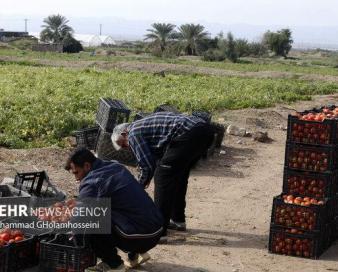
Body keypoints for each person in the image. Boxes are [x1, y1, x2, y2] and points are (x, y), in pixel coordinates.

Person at [111, 112, 214, 239]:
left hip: (190, 133)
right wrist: (145, 177)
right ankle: (178, 220)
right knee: (178, 175)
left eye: (123, 144)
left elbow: (147, 165)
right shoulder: (144, 127)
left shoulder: (133, 132)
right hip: (205, 131)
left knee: (163, 176)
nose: (127, 147)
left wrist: (138, 187)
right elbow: (156, 159)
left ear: (124, 133)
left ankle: (159, 231)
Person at [65, 147, 163, 272]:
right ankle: (135, 255)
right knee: (117, 207)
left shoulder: (92, 181)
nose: (76, 179)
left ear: (87, 166)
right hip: (156, 229)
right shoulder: (115, 166)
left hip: (141, 236)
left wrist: (76, 239)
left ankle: (114, 265)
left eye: (76, 172)